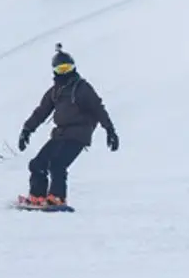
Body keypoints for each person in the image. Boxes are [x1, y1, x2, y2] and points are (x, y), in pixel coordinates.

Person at [17, 43, 119, 206]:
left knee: (57, 164)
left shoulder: (82, 88)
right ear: (54, 71)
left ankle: (57, 197)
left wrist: (110, 130)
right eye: (60, 70)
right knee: (37, 164)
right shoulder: (55, 91)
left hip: (78, 134)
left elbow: (98, 108)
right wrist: (27, 130)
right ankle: (37, 196)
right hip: (60, 134)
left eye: (67, 68)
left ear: (73, 68)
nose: (64, 73)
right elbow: (42, 111)